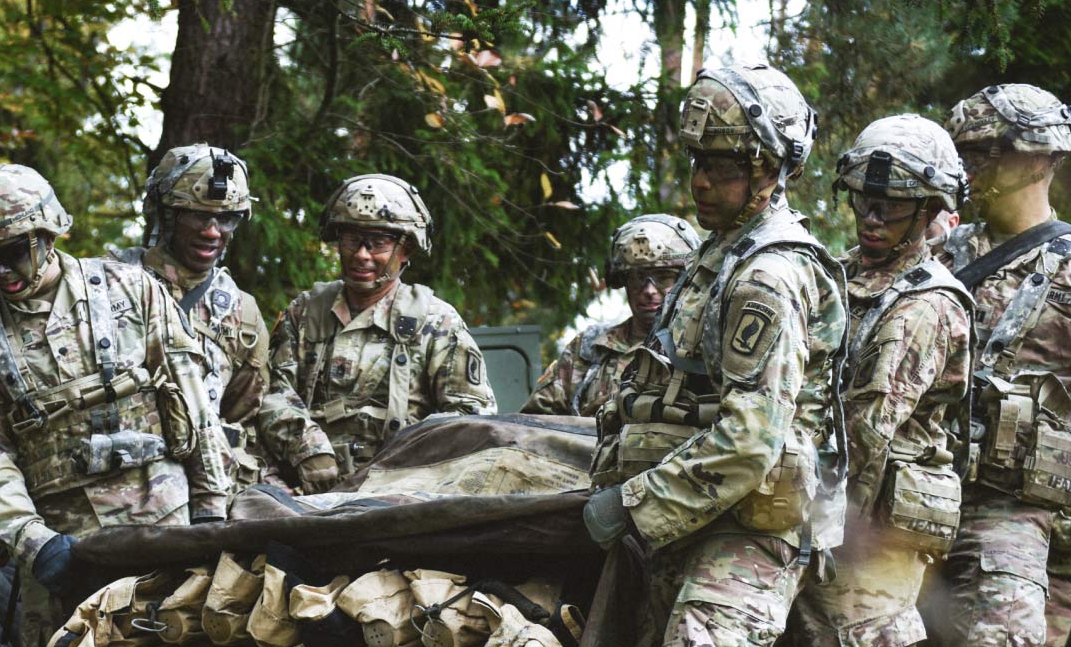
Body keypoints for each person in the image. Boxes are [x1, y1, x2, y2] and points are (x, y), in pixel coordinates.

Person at [583, 63, 847, 647]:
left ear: (768, 167)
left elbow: (748, 440)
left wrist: (632, 503)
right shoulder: (716, 253)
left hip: (750, 528)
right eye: (696, 161)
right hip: (695, 525)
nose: (700, 180)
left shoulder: (768, 273)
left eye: (722, 164)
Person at [0, 163, 231, 647]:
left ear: (47, 234)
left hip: (164, 535)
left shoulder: (132, 292)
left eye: (13, 252)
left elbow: (196, 410)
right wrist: (32, 541)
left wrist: (213, 518)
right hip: (61, 556)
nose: (1, 272)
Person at [738, 114, 974, 647]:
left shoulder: (929, 303)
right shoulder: (836, 279)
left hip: (872, 549)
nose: (872, 218)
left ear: (931, 210)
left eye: (892, 205)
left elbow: (866, 430)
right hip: (806, 526)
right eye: (863, 202)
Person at [933, 83, 1071, 647]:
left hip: (1022, 525)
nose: (967, 166)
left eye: (985, 151)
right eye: (962, 151)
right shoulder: (931, 256)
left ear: (1039, 158)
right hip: (904, 508)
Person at [258, 173, 497, 487]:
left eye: (378, 243)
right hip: (308, 485)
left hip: (401, 490)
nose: (361, 255)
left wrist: (409, 464)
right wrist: (309, 451)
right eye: (351, 239)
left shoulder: (436, 322)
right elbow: (272, 392)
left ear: (406, 249)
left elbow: (472, 417)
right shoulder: (305, 313)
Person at [115, 143, 269, 492]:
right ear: (166, 214)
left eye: (226, 218)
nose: (213, 231)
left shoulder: (241, 313)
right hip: (117, 493)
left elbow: (245, 413)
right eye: (198, 215)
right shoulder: (105, 287)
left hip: (206, 496)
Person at [522, 214, 699, 417]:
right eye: (638, 278)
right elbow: (535, 423)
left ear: (685, 281)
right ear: (623, 282)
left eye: (663, 277)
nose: (649, 290)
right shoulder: (589, 349)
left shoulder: (703, 347)